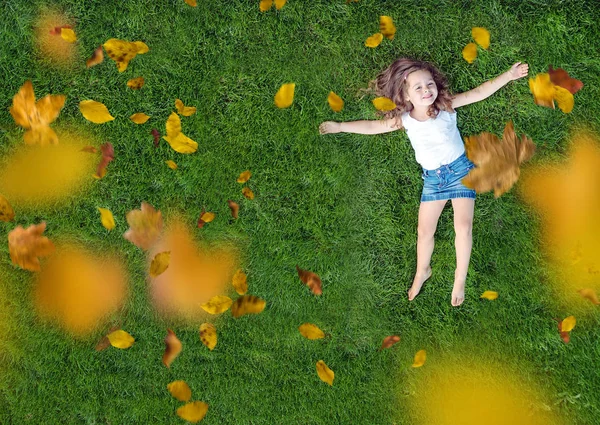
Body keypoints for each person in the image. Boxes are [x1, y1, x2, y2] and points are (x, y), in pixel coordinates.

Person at [319, 58, 528, 306]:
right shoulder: (404, 120)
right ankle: (422, 271)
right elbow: (373, 127)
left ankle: (459, 278)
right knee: (424, 231)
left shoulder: (446, 107)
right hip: (433, 181)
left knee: (463, 227)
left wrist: (509, 75)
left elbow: (479, 92)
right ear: (405, 95)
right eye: (418, 88)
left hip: (461, 172)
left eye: (429, 84)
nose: (426, 90)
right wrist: (340, 126)